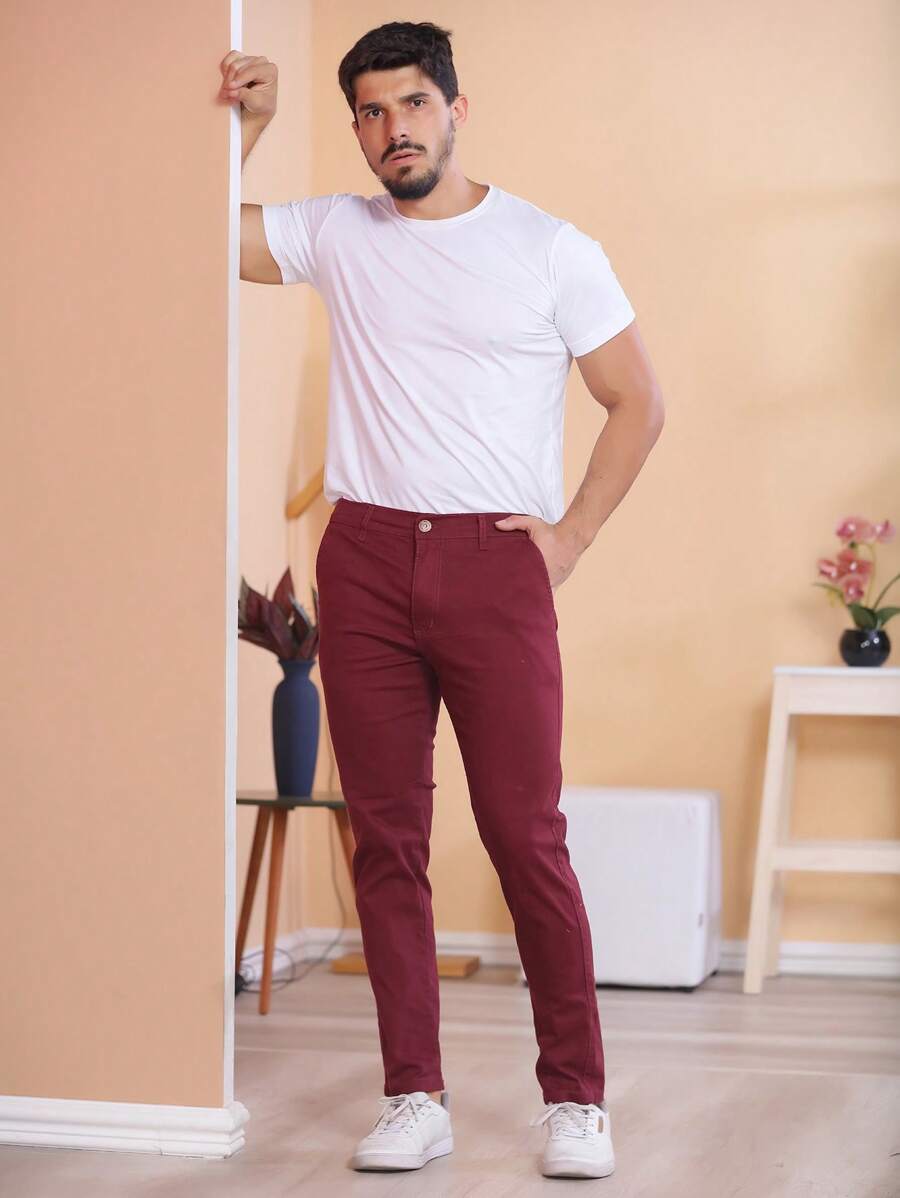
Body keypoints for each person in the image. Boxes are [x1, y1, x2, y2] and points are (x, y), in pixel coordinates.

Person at [222, 19, 664, 1180]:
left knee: (526, 835)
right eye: (371, 112)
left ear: (456, 110)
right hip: (365, 558)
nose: (393, 130)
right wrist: (252, 128)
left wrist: (569, 537)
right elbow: (207, 238)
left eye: (413, 104)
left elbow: (637, 399)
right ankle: (412, 1093)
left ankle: (576, 1099)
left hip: (492, 561)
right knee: (388, 840)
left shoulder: (550, 248)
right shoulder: (338, 231)